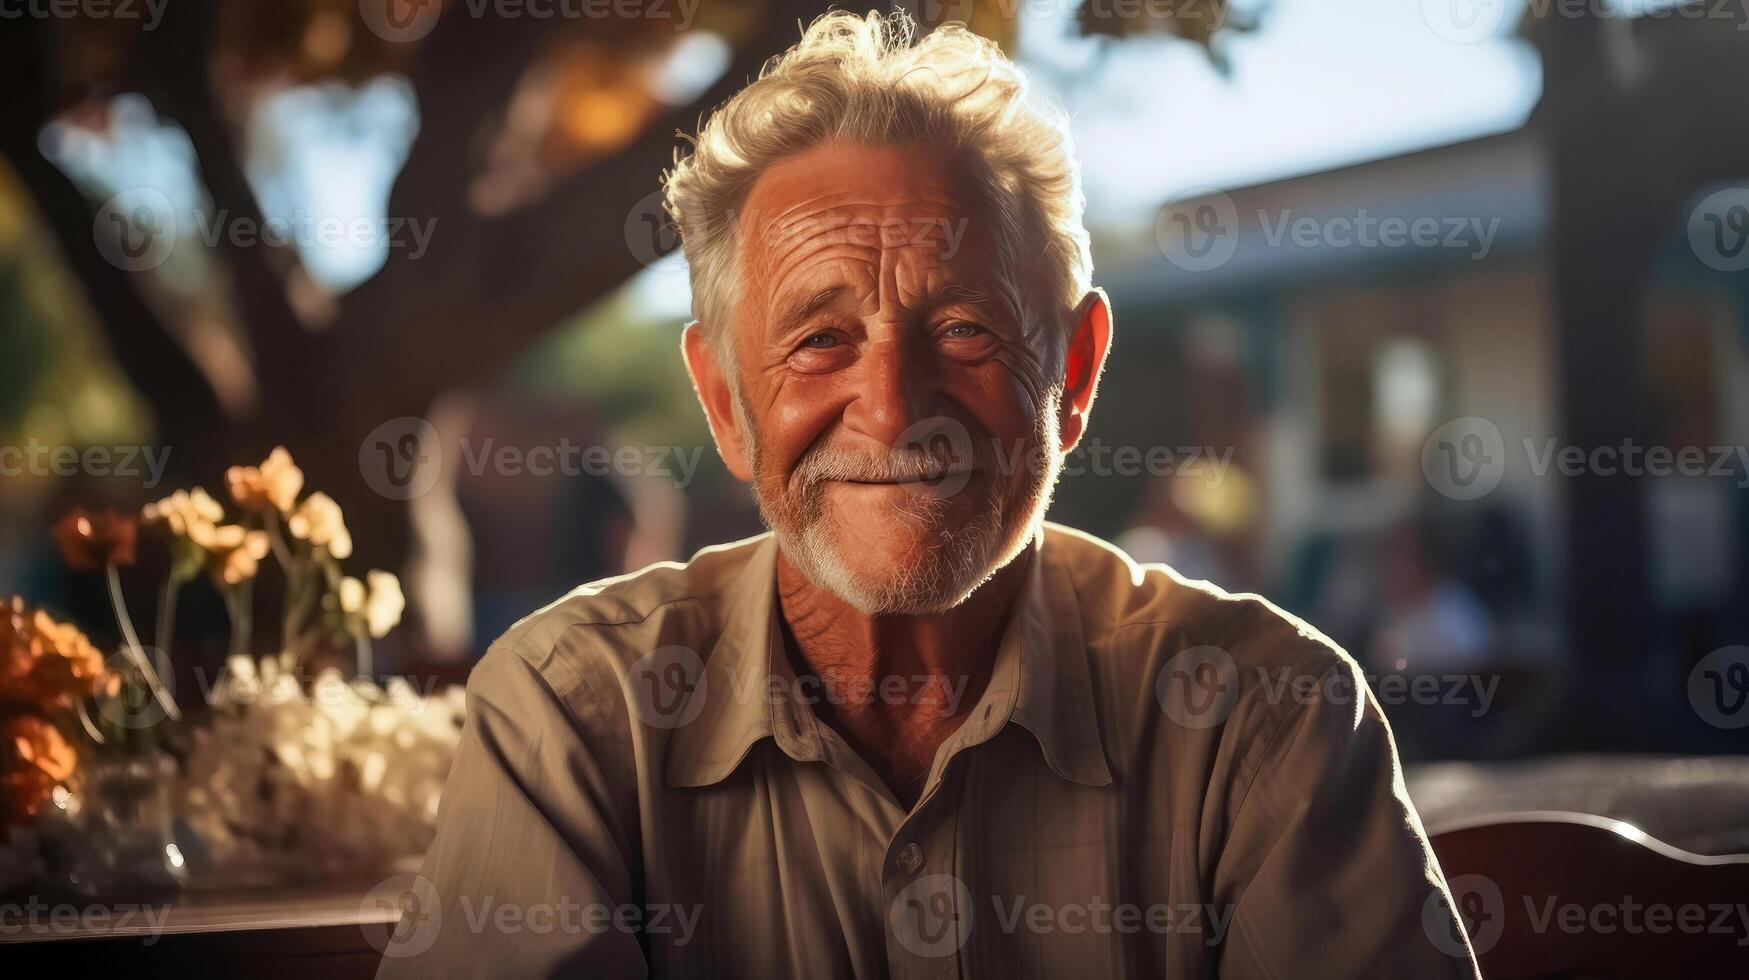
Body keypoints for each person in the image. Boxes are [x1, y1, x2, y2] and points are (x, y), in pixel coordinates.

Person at [379, 11, 1478, 978]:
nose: (895, 409)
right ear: (723, 402)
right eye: (819, 339)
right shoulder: (573, 716)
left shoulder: (1261, 718)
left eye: (963, 328)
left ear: (1074, 373)